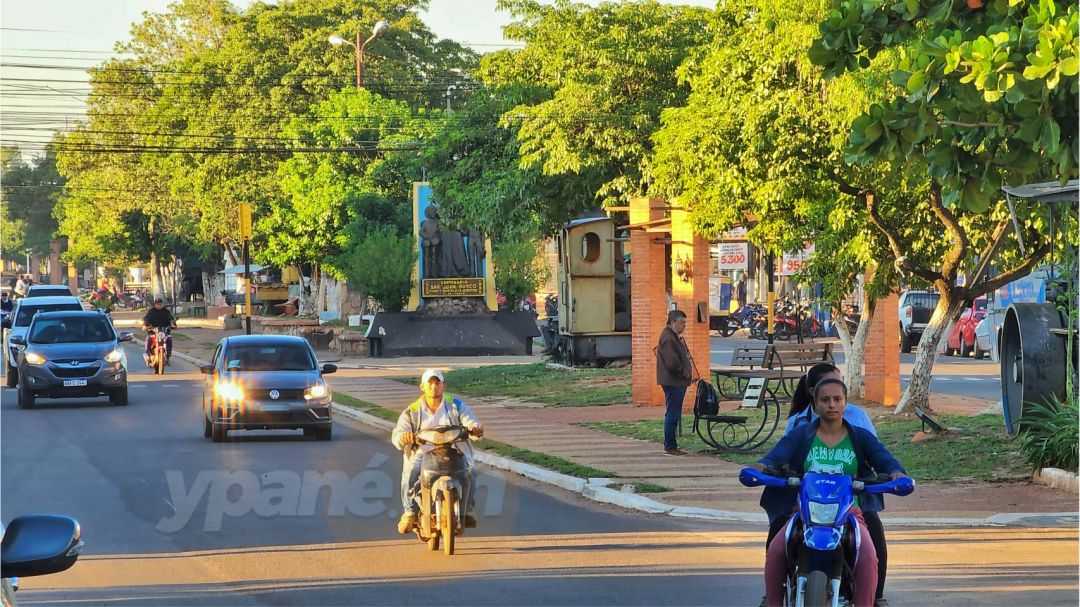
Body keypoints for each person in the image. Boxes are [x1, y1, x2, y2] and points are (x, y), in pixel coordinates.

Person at [753, 378, 907, 607]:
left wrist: (895, 472)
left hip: (848, 513)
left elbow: (885, 459)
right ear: (815, 404)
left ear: (845, 403)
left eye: (837, 399)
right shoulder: (801, 435)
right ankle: (772, 602)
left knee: (868, 557)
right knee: (776, 551)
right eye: (825, 400)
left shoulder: (860, 437)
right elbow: (775, 456)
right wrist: (760, 467)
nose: (832, 405)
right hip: (805, 512)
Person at [392, 369, 484, 534]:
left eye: (437, 383)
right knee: (410, 472)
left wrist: (475, 429)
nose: (434, 387)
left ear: (443, 385)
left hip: (454, 449)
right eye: (430, 383)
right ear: (422, 387)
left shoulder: (456, 405)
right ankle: (410, 511)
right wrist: (404, 437)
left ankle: (468, 509)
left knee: (471, 471)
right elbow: (399, 434)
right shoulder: (412, 410)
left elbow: (470, 421)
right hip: (424, 452)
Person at [655, 309, 693, 456]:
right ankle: (670, 446)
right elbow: (672, 362)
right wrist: (684, 373)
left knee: (673, 412)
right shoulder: (669, 338)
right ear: (673, 323)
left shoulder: (673, 336)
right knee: (673, 413)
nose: (684, 326)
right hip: (674, 381)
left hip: (675, 380)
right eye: (682, 323)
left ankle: (670, 445)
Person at [142, 297, 177, 364]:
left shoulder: (166, 311)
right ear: (155, 304)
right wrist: (145, 325)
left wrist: (173, 325)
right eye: (158, 304)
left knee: (169, 339)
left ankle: (168, 355)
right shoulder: (151, 311)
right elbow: (146, 320)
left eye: (160, 304)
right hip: (153, 332)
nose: (159, 305)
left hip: (164, 332)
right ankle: (148, 354)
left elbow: (171, 319)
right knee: (148, 339)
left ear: (162, 304)